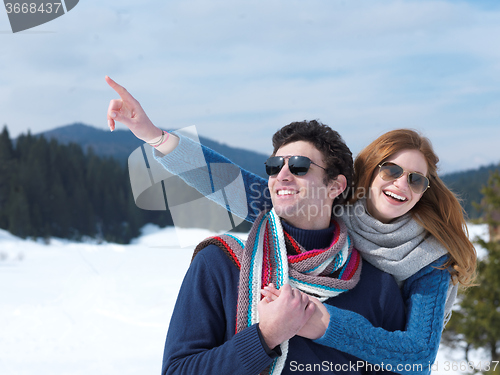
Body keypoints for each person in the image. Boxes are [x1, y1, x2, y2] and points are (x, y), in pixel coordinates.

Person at [105, 76, 477, 374]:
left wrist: (322, 321)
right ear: (368, 174)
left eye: (416, 179)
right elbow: (229, 183)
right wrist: (155, 136)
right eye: (391, 170)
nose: (401, 184)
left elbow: (416, 357)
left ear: (336, 185)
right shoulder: (224, 265)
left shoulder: (425, 263)